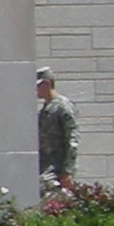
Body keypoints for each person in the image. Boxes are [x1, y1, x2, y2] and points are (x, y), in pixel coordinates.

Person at [37, 68, 79, 196]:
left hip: (56, 169)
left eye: (38, 86)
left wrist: (67, 171)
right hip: (44, 165)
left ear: (47, 84)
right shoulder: (46, 109)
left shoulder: (63, 107)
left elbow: (72, 139)